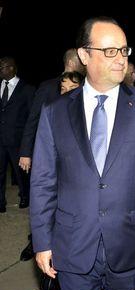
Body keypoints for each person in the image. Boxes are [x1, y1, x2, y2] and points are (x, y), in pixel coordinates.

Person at [30, 16, 135, 290]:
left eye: (124, 50)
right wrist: (42, 241)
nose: (120, 59)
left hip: (130, 245)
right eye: (110, 51)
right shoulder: (55, 112)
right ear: (84, 55)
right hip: (72, 246)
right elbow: (43, 182)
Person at [19, 48, 85, 262]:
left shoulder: (85, 88)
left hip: (72, 167)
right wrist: (26, 153)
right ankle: (37, 243)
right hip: (48, 158)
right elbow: (33, 119)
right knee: (44, 202)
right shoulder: (48, 87)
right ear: (75, 61)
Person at [0, 57, 35, 212]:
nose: (0, 70)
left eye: (2, 67)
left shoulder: (27, 89)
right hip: (0, 139)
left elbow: (32, 117)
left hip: (18, 140)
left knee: (20, 173)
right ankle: (1, 201)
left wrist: (28, 143)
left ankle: (25, 196)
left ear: (12, 68)